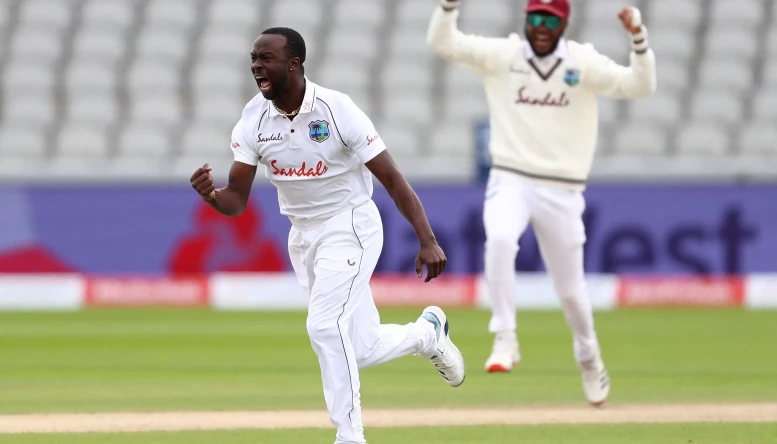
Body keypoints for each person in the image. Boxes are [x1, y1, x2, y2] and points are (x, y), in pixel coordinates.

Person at [189, 27, 466, 444]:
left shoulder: (337, 110)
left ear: (294, 65)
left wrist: (426, 239)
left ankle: (349, 437)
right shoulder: (253, 119)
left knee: (323, 327)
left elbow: (392, 178)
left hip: (350, 224)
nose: (256, 66)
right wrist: (211, 195)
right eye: (253, 58)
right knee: (360, 346)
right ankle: (428, 334)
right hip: (303, 236)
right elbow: (237, 201)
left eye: (266, 58)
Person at [427, 0, 656, 407]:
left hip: (562, 188)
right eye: (535, 17)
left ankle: (589, 357)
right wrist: (448, 7)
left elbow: (638, 87)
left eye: (550, 19)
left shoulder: (581, 62)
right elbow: (444, 44)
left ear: (564, 22)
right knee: (498, 240)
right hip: (510, 176)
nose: (541, 26)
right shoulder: (504, 56)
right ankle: (505, 338)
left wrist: (638, 38)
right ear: (525, 20)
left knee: (571, 291)